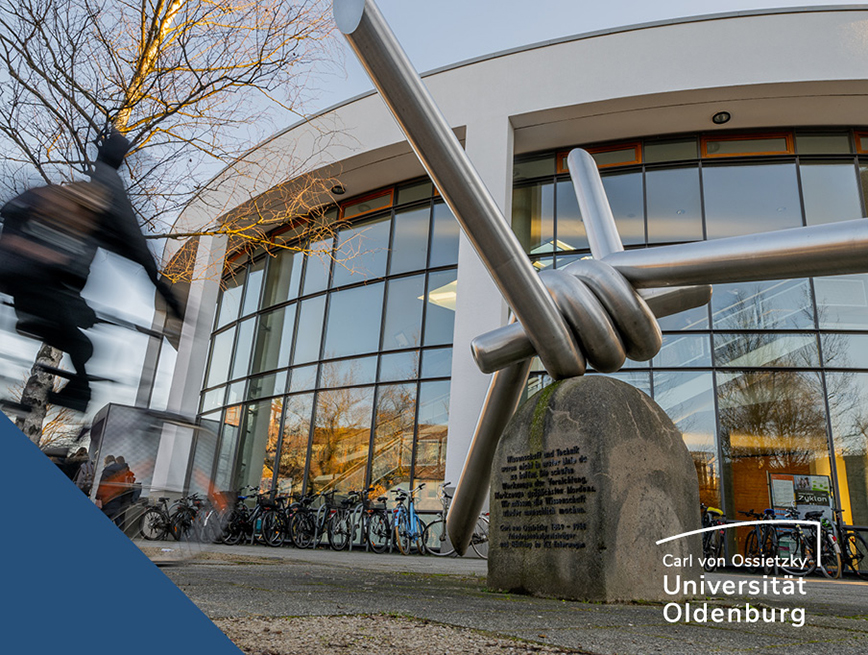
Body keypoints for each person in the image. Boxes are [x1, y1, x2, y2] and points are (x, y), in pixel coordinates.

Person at [0, 127, 183, 411]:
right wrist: (161, 289)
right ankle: (79, 389)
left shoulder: (80, 192)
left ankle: (78, 389)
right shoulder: (101, 193)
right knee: (76, 336)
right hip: (47, 279)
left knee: (74, 334)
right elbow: (134, 243)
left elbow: (14, 212)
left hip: (37, 276)